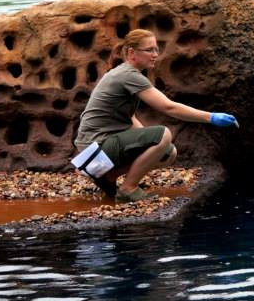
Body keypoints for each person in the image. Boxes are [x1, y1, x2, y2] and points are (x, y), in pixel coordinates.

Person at [73, 28, 238, 202]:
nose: (155, 55)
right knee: (163, 134)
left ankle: (109, 175)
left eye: (156, 49)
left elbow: (130, 117)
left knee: (168, 152)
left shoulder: (126, 73)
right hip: (95, 148)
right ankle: (128, 189)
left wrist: (148, 145)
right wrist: (210, 117)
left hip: (100, 146)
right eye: (149, 50)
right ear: (131, 52)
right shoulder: (128, 75)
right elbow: (169, 108)